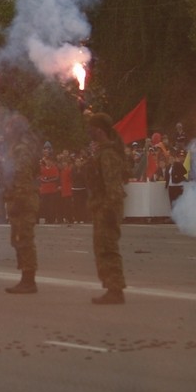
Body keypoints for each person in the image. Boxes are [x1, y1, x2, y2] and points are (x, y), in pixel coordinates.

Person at [83, 112, 127, 305]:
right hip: (101, 207)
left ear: (99, 131)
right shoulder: (103, 152)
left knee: (108, 249)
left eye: (91, 128)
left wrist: (109, 211)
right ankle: (112, 287)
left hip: (106, 208)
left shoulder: (108, 154)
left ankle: (115, 290)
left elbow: (113, 187)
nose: (89, 131)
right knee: (103, 248)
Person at [0, 113, 40, 295]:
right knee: (19, 238)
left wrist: (17, 200)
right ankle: (25, 277)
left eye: (9, 127)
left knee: (24, 239)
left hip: (22, 199)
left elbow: (22, 176)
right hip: (17, 198)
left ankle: (28, 280)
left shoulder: (21, 149)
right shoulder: (16, 148)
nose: (6, 131)